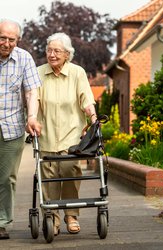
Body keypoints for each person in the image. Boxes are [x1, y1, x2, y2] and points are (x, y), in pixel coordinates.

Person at [37, 32, 97, 236]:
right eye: (49, 50)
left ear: (67, 54)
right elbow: (33, 101)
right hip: (46, 136)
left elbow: (86, 99)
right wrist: (31, 119)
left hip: (71, 138)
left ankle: (71, 215)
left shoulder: (77, 73)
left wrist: (93, 116)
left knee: (71, 172)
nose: (52, 54)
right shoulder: (38, 73)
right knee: (49, 178)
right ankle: (52, 218)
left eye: (56, 51)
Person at [0, 19, 42, 239]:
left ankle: (1, 222)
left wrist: (32, 117)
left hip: (11, 127)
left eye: (11, 39)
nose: (6, 43)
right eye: (2, 38)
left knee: (7, 177)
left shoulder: (24, 58)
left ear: (17, 40)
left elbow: (32, 91)